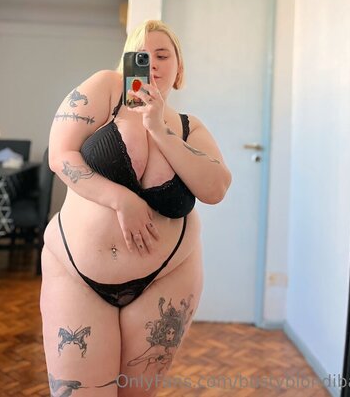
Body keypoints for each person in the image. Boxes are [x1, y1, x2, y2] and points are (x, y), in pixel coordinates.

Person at [41, 19, 232, 396]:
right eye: (140, 55)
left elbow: (215, 189)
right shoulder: (104, 90)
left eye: (162, 55)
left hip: (167, 277)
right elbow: (60, 155)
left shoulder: (189, 127)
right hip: (76, 273)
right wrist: (120, 199)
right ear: (126, 63)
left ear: (179, 68)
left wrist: (158, 127)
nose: (152, 63)